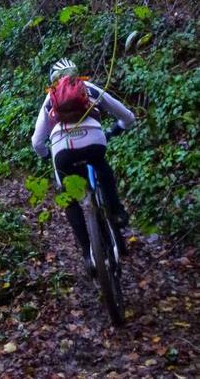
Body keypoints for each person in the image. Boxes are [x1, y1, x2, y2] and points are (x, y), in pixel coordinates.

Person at [31, 58, 135, 274]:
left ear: (53, 80)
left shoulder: (49, 99)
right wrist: (116, 129)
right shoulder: (89, 88)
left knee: (70, 201)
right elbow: (127, 116)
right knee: (101, 165)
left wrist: (44, 155)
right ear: (76, 73)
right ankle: (116, 212)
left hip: (63, 150)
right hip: (94, 141)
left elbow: (36, 142)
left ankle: (89, 255)